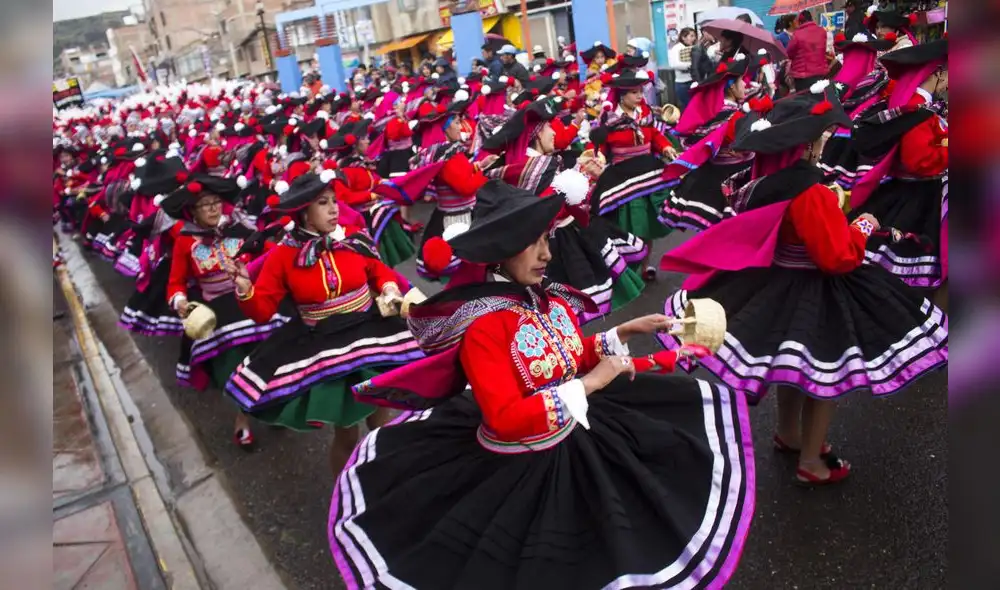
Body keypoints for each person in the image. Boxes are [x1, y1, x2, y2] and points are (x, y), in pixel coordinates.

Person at [328, 179, 754, 589]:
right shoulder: (484, 327)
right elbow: (506, 418)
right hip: (520, 465)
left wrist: (624, 331)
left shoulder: (546, 298)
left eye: (547, 240)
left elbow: (563, 356)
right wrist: (589, 384)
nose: (546, 254)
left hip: (575, 436)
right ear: (498, 251)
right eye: (533, 243)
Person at [658, 85, 948, 485]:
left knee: (792, 365)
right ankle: (811, 461)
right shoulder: (809, 193)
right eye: (822, 139)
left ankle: (789, 433)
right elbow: (839, 257)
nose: (825, 145)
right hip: (814, 285)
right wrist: (864, 225)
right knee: (822, 376)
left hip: (776, 280)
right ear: (807, 146)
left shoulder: (764, 181)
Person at [223, 171, 424, 474]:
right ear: (304, 213)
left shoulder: (352, 239)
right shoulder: (282, 257)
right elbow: (262, 310)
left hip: (371, 334)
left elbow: (378, 270)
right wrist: (244, 289)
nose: (334, 209)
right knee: (347, 434)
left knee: (382, 418)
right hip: (327, 346)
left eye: (334, 201)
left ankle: (387, 479)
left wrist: (389, 288)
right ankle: (345, 496)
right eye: (323, 203)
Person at [476, 97, 646, 319]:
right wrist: (584, 179)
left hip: (558, 238)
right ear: (537, 133)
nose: (554, 132)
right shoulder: (536, 168)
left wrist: (581, 176)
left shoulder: (528, 165)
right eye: (548, 127)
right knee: (564, 309)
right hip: (555, 245)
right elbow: (546, 210)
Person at [161, 174, 287, 449]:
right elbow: (175, 282)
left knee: (266, 361)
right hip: (217, 314)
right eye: (205, 205)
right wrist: (180, 301)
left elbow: (267, 249)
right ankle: (245, 417)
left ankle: (265, 411)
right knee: (235, 370)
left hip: (248, 302)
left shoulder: (237, 227)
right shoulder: (185, 241)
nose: (213, 208)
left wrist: (286, 247)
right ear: (192, 211)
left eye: (216, 202)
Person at [848, 40, 949, 298]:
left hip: (907, 191)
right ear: (937, 74)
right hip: (917, 197)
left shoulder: (916, 106)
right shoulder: (917, 111)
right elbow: (919, 161)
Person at [589, 68, 677, 280]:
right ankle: (629, 270)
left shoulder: (644, 115)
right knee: (628, 226)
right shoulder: (609, 120)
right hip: (623, 179)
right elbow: (600, 147)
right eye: (635, 93)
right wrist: (599, 158)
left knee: (646, 223)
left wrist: (665, 147)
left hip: (647, 175)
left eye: (641, 92)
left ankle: (645, 266)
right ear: (622, 95)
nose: (640, 96)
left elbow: (655, 135)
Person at [660, 54, 752, 232]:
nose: (745, 85)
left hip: (709, 177)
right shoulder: (734, 116)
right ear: (731, 87)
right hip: (731, 180)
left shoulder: (714, 111)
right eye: (742, 81)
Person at [786, 10, 830, 92]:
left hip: (803, 76)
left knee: (805, 101)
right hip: (820, 73)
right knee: (820, 99)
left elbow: (789, 53)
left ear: (800, 22)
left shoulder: (797, 34)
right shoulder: (822, 31)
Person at [667, 27, 697, 109]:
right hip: (682, 84)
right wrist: (692, 65)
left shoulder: (694, 48)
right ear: (683, 37)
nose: (694, 38)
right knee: (689, 108)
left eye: (694, 36)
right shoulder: (676, 48)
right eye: (691, 36)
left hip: (694, 82)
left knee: (695, 107)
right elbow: (674, 64)